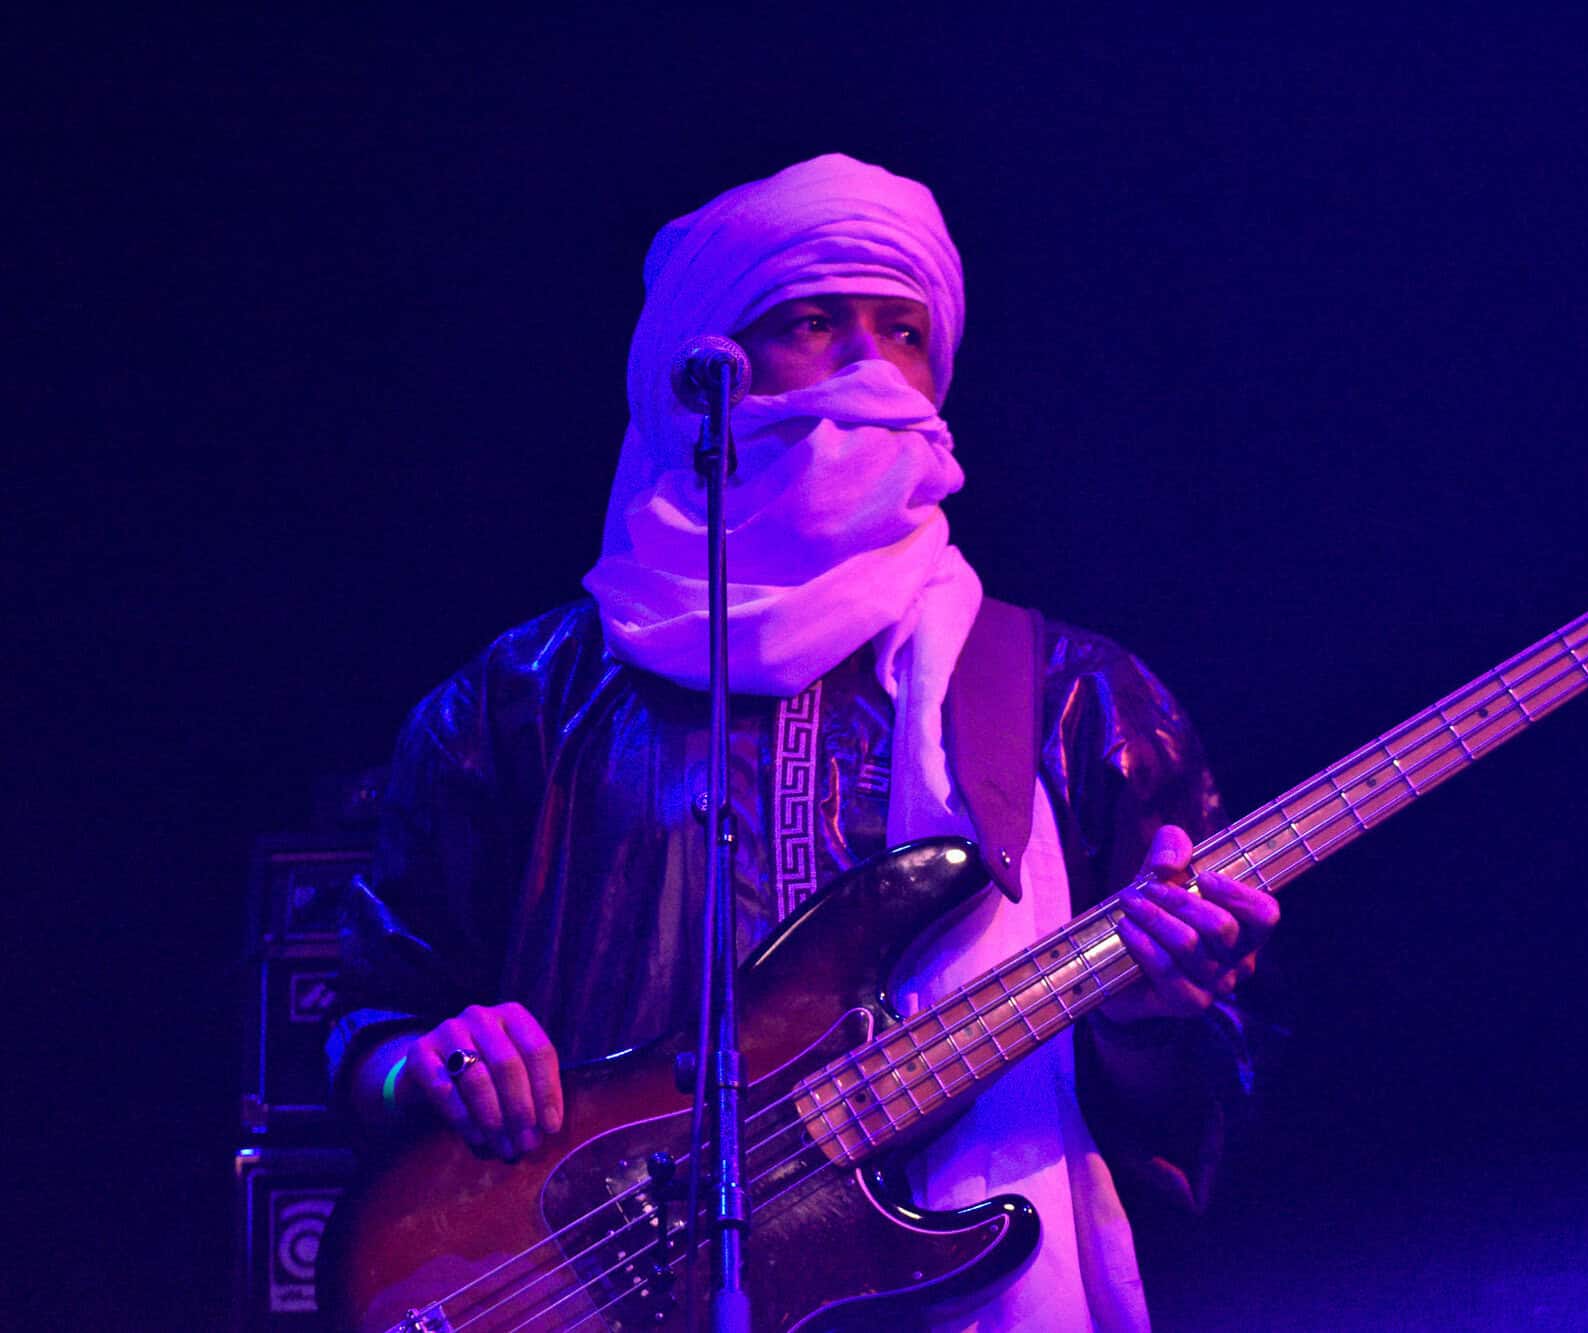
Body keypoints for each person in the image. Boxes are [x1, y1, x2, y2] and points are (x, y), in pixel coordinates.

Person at [327, 152, 1279, 1331]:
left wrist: (1150, 1017)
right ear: (702, 375)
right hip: (583, 1292)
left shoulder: (1070, 697)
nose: (868, 370)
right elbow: (371, 1017)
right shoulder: (519, 699)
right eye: (812, 323)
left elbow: (1208, 1094)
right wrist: (430, 1058)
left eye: (903, 333)